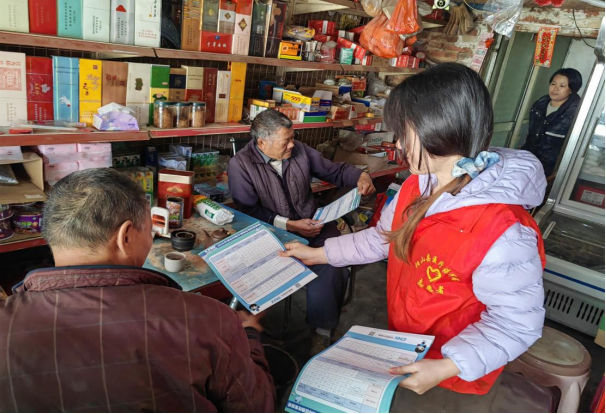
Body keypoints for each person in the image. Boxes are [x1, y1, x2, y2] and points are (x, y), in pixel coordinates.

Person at [281, 63, 548, 412]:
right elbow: (382, 239)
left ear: (441, 128)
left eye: (405, 132)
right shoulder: (417, 184)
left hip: (456, 372)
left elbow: (516, 323)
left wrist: (448, 366)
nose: (398, 144)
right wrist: (317, 254)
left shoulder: (505, 230)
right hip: (408, 344)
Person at [0, 169, 275, 413]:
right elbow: (256, 406)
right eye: (149, 228)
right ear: (126, 237)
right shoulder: (210, 319)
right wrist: (249, 338)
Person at [228, 109, 376, 352]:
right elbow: (249, 210)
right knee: (265, 269)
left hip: (315, 225)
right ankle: (254, 331)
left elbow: (334, 170)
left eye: (293, 137)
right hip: (274, 233)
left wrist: (360, 176)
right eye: (286, 141)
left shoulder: (300, 151)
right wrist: (288, 224)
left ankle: (322, 331)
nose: (292, 145)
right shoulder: (241, 165)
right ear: (262, 142)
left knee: (331, 261)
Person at [523, 68, 583, 177]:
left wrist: (559, 172)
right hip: (528, 162)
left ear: (571, 90)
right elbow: (531, 136)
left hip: (551, 170)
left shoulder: (576, 112)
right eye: (553, 84)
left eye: (562, 86)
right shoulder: (539, 105)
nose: (555, 89)